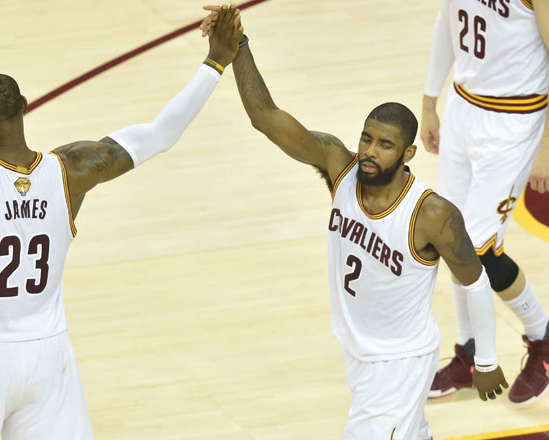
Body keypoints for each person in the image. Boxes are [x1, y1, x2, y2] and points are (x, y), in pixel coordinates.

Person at [0, 6, 243, 439]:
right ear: (25, 108)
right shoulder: (71, 170)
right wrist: (216, 61)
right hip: (48, 359)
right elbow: (161, 133)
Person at [199, 10, 507, 440]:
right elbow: (265, 116)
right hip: (358, 351)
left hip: (400, 362)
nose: (369, 151)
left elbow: (474, 282)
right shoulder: (339, 169)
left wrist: (487, 361)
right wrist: (239, 48)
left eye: (385, 145)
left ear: (408, 154)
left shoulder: (432, 214)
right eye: (366, 138)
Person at [421, 0, 549, 404]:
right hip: (463, 106)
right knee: (448, 237)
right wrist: (429, 103)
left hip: (513, 120)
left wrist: (546, 148)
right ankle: (471, 352)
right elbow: (447, 22)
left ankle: (542, 336)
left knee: (478, 247)